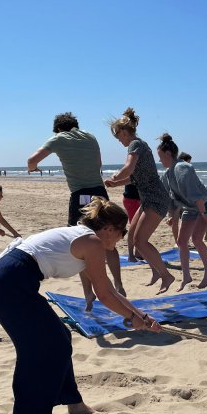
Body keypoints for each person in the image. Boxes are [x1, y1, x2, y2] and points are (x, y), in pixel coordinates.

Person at [0, 197, 161, 414]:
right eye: (122, 232)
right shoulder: (93, 242)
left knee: (60, 338)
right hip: (9, 283)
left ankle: (75, 405)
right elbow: (104, 295)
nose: (120, 238)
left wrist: (142, 316)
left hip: (5, 280)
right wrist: (132, 319)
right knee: (45, 349)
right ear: (109, 229)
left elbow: (109, 290)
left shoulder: (86, 238)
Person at [27, 111, 126, 305]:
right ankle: (119, 284)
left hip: (81, 195)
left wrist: (33, 168)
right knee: (110, 241)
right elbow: (98, 164)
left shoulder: (59, 138)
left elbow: (32, 160)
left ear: (58, 129)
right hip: (99, 192)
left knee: (82, 242)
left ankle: (89, 293)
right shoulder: (90, 136)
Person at [104, 107, 174, 294]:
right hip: (148, 199)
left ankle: (166, 275)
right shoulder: (139, 145)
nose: (119, 141)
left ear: (125, 132)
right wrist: (116, 183)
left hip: (156, 199)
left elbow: (128, 167)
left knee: (141, 241)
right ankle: (156, 272)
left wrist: (115, 175)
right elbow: (135, 178)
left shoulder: (135, 145)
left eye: (119, 137)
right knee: (135, 238)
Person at [157, 134, 207, 291]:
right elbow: (174, 198)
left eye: (160, 156)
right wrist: (173, 216)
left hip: (206, 203)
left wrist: (204, 214)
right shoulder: (167, 174)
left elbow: (194, 193)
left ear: (168, 154)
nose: (159, 160)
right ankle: (186, 276)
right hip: (191, 207)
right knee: (181, 241)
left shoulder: (182, 167)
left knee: (197, 239)